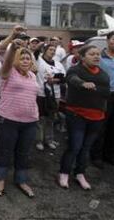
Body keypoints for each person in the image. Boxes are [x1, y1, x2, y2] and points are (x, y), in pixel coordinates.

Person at [58, 45, 110, 190]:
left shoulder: (103, 74)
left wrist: (94, 89)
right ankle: (64, 172)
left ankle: (80, 173)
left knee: (86, 148)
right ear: (82, 57)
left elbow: (106, 92)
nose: (96, 57)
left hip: (97, 117)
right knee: (75, 146)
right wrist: (83, 84)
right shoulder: (76, 69)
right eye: (92, 54)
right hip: (77, 115)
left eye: (98, 54)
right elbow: (72, 79)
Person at [0, 38, 39, 198]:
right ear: (16, 59)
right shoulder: (8, 72)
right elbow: (6, 63)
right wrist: (13, 49)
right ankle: (0, 180)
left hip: (30, 121)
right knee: (5, 151)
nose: (25, 60)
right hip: (8, 120)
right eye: (22, 57)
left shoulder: (33, 76)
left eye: (28, 58)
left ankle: (21, 180)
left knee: (24, 152)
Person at [35, 44, 66, 151]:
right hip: (41, 93)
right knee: (40, 118)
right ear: (45, 50)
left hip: (55, 95)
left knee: (51, 118)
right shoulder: (39, 61)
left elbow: (63, 78)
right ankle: (39, 140)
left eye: (54, 50)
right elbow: (34, 53)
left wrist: (55, 80)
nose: (52, 52)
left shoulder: (58, 64)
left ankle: (49, 139)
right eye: (50, 49)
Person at [91, 32, 114, 168]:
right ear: (107, 41)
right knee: (101, 126)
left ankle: (109, 154)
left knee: (112, 127)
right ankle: (96, 155)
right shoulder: (98, 57)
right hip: (104, 95)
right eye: (113, 39)